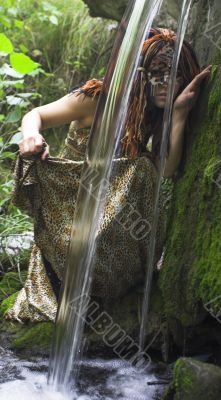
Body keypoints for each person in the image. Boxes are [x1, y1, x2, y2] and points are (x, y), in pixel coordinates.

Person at [5, 28, 211, 323]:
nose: (164, 82)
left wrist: (178, 115)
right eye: (156, 72)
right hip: (70, 217)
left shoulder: (154, 115)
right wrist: (30, 137)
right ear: (141, 74)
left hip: (114, 230)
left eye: (175, 74)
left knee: (144, 170)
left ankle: (117, 281)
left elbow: (166, 170)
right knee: (141, 169)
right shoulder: (99, 98)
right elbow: (35, 115)